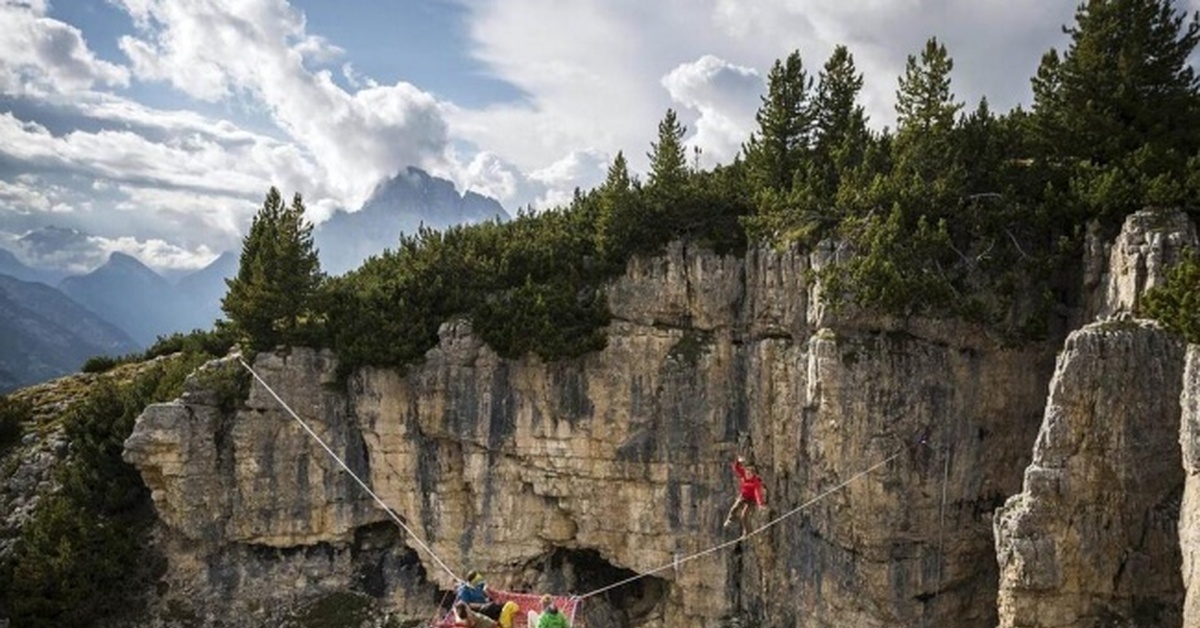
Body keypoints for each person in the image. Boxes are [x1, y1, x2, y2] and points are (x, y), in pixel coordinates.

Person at [723, 455, 765, 537]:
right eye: (747, 473)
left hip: (751, 500)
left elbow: (757, 493)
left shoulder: (755, 482)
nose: (748, 475)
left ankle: (747, 532)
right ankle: (730, 520)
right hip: (743, 496)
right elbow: (736, 469)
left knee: (744, 516)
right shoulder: (743, 474)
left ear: (753, 474)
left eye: (750, 474)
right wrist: (738, 462)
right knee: (735, 507)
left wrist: (760, 504)